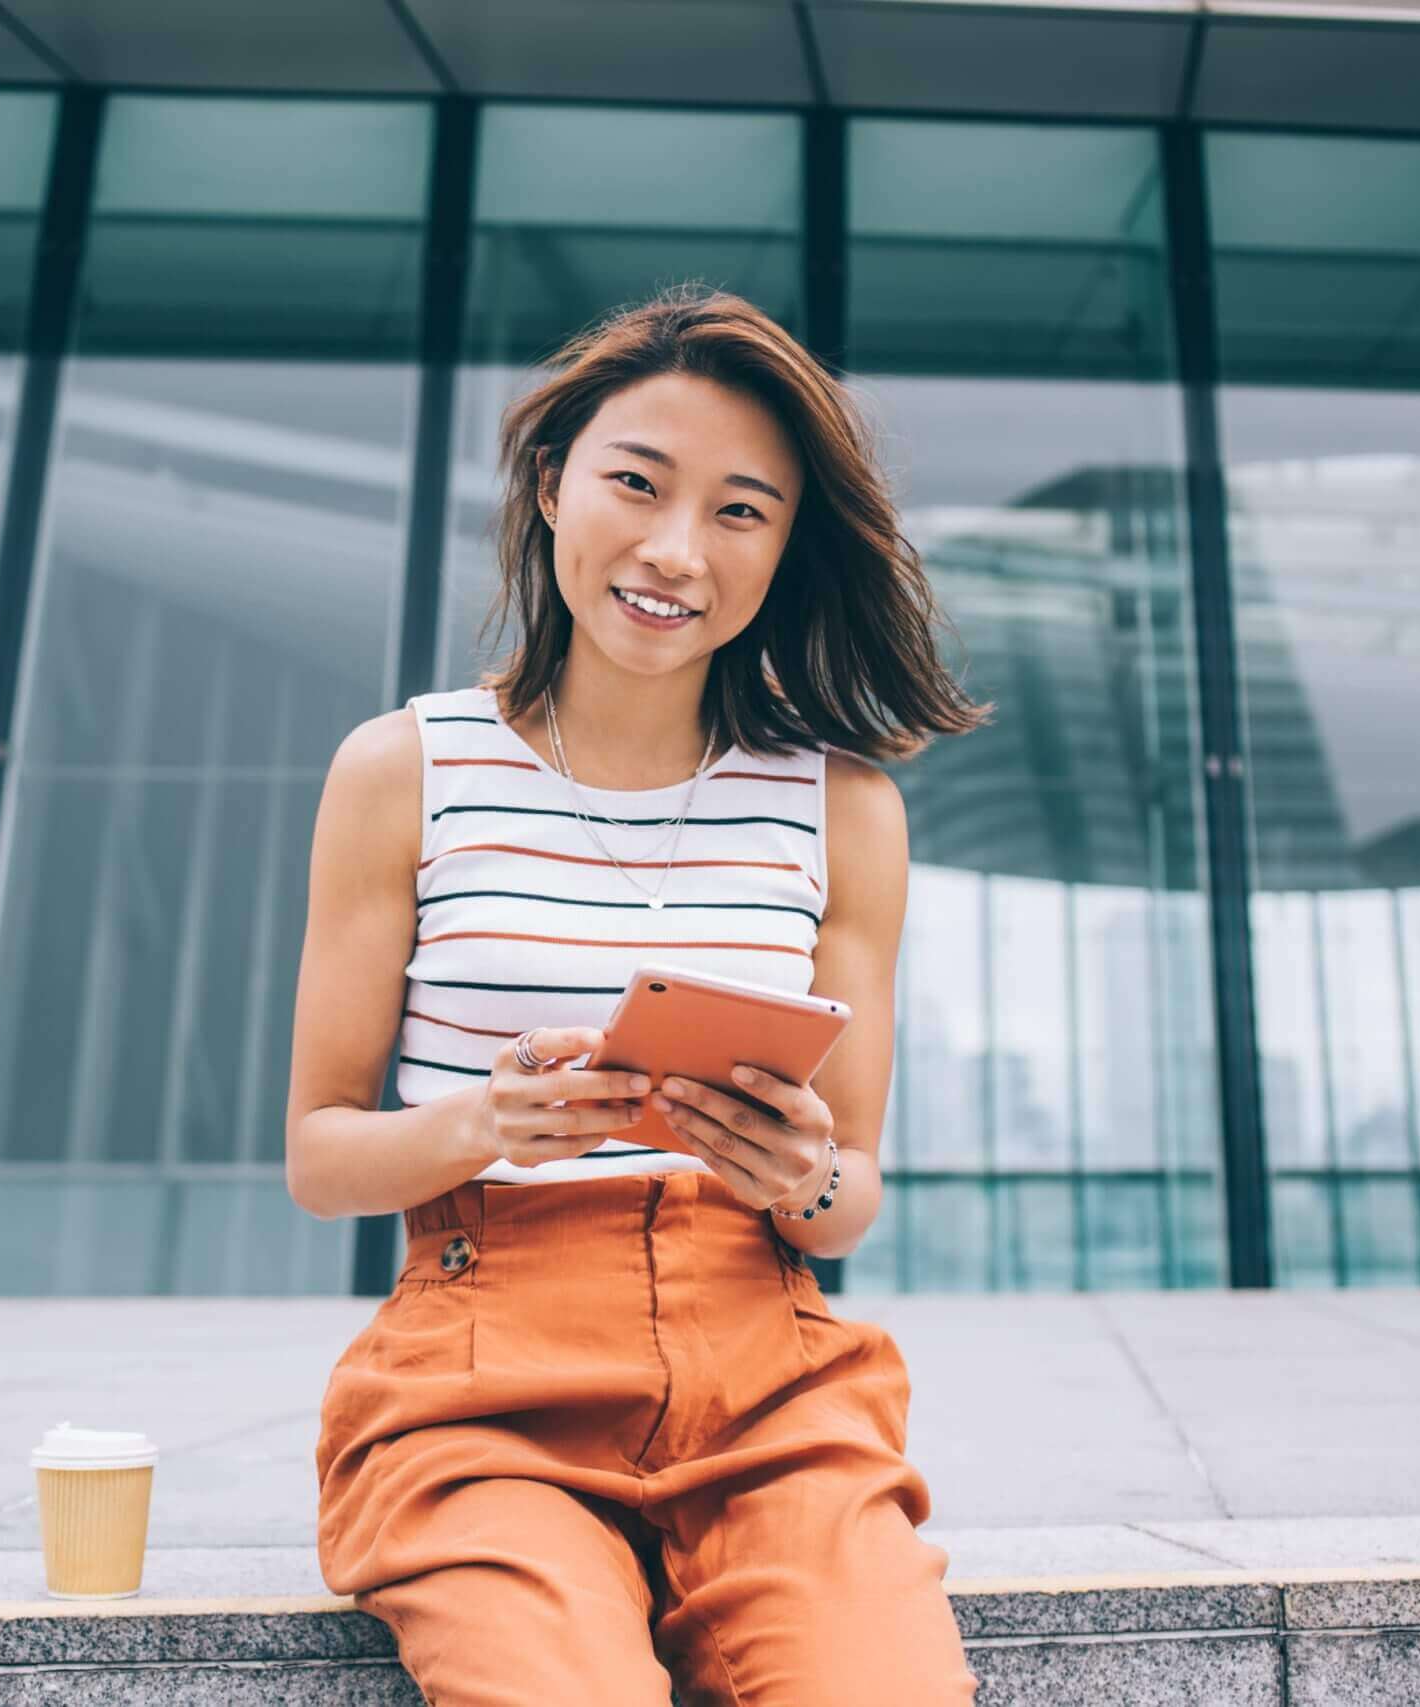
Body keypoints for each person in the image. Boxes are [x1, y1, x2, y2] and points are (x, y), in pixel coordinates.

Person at [284, 281, 991, 1705]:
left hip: (771, 1381)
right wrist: (491, 1124)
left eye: (741, 511)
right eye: (636, 483)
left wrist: (797, 1172)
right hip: (480, 1390)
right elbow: (318, 1150)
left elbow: (849, 1193)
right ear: (553, 486)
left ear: (788, 548)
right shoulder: (402, 769)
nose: (677, 551)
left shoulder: (843, 808)